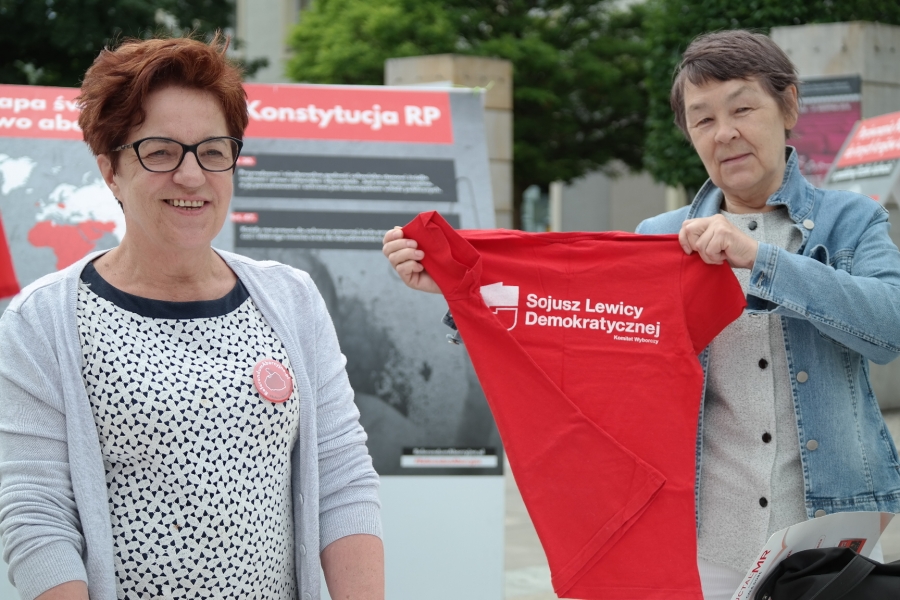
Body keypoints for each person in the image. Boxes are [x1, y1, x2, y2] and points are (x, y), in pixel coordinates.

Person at [382, 30, 900, 600]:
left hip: (830, 532)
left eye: (742, 109)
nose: (725, 133)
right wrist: (460, 292)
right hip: (700, 542)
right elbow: (576, 330)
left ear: (789, 106)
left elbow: (890, 326)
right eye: (703, 120)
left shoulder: (851, 221)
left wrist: (761, 259)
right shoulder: (660, 239)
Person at [0, 35, 383, 600]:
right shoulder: (45, 319)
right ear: (110, 171)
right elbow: (36, 512)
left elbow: (342, 475)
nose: (191, 175)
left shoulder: (291, 299)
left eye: (212, 150)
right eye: (159, 152)